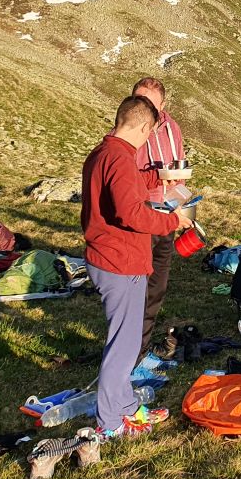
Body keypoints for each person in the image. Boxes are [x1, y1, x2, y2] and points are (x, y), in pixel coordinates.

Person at [82, 95, 191, 439]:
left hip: (111, 256)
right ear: (144, 126)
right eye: (150, 133)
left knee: (125, 339)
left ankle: (126, 405)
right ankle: (110, 421)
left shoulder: (105, 153)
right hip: (120, 261)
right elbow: (130, 212)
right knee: (124, 345)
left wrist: (157, 183)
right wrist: (172, 221)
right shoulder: (118, 158)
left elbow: (122, 194)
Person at [131, 77, 187, 358]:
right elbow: (124, 179)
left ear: (162, 105)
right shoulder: (130, 129)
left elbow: (178, 162)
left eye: (151, 104)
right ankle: (129, 348)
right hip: (141, 215)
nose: (146, 109)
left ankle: (141, 344)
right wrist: (156, 176)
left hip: (167, 213)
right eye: (140, 101)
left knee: (157, 283)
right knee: (135, 284)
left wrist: (181, 194)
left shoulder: (171, 127)